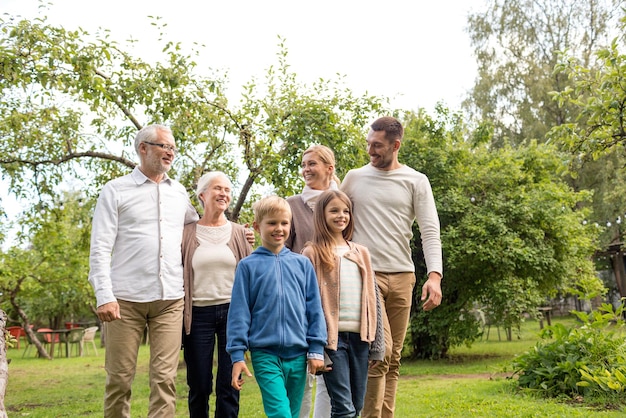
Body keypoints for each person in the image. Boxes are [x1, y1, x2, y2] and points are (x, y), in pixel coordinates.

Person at [88, 124, 199, 417]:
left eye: (173, 148)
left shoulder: (179, 193)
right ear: (143, 148)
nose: (171, 153)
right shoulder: (115, 190)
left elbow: (199, 225)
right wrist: (104, 295)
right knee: (119, 380)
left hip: (170, 299)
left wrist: (239, 234)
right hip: (124, 301)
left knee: (165, 380)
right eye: (165, 146)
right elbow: (99, 246)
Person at [341, 116, 443, 418]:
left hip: (402, 276)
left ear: (395, 145)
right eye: (368, 144)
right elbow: (334, 217)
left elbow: (430, 230)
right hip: (364, 277)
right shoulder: (354, 178)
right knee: (379, 354)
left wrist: (434, 276)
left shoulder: (415, 180)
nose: (370, 151)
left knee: (394, 358)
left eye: (377, 146)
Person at [227, 195, 328, 418]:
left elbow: (314, 309)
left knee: (293, 413)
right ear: (257, 226)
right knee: (280, 414)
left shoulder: (302, 264)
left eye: (284, 223)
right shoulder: (247, 266)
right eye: (272, 223)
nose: (279, 228)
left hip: (299, 355)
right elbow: (239, 314)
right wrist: (237, 355)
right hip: (265, 354)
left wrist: (316, 348)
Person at [302, 190, 384, 418]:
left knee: (356, 405)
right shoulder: (312, 253)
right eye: (334, 210)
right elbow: (307, 303)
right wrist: (314, 348)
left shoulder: (361, 252)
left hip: (360, 339)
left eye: (346, 211)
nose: (341, 215)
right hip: (331, 341)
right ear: (321, 215)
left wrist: (377, 345)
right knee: (343, 408)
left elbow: (374, 299)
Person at [182, 171, 253, 418]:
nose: (223, 193)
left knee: (229, 384)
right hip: (197, 315)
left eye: (227, 190)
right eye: (217, 188)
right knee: (199, 384)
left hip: (233, 314)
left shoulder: (240, 233)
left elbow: (250, 275)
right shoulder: (186, 233)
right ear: (202, 194)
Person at [284, 144, 338, 418]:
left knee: (329, 372)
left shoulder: (342, 203)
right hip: (301, 300)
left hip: (336, 300)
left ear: (329, 168)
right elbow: (282, 250)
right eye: (304, 164)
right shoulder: (292, 205)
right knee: (302, 373)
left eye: (312, 164)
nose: (306, 169)